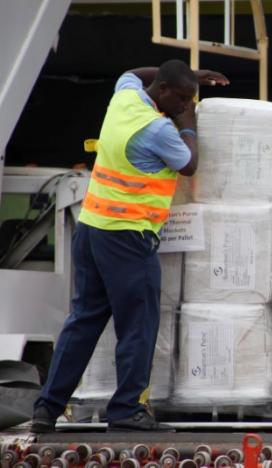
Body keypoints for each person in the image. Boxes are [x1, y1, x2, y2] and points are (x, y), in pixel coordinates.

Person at [30, 59, 229, 432]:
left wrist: (188, 78)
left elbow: (134, 74)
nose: (185, 104)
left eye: (190, 100)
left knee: (83, 322)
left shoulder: (125, 99)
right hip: (127, 237)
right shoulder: (156, 129)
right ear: (164, 91)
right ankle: (126, 410)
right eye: (182, 98)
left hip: (91, 228)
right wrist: (188, 123)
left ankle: (46, 409)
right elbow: (188, 164)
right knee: (137, 325)